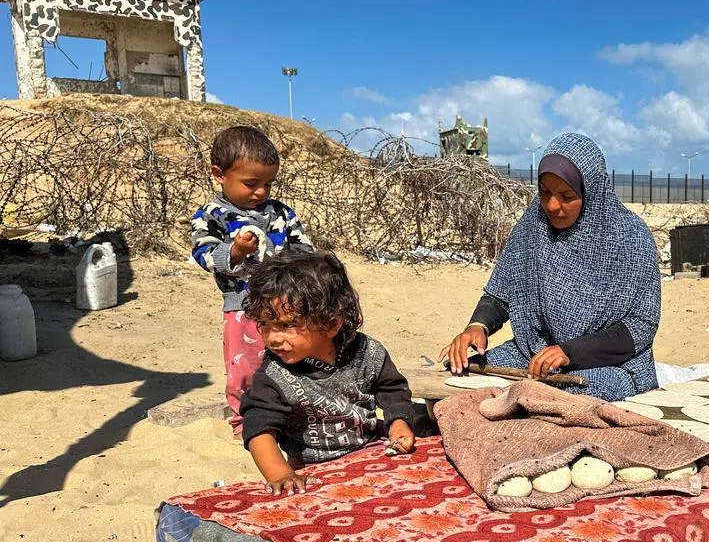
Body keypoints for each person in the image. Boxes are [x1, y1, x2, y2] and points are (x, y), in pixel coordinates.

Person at [440, 133, 661, 402]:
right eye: (545, 192)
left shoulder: (630, 237)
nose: (553, 206)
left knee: (578, 395)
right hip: (536, 354)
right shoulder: (532, 226)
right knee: (462, 374)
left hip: (607, 365)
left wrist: (570, 352)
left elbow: (640, 325)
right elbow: (501, 292)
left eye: (567, 196)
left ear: (590, 190)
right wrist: (478, 326)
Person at [240, 251, 416, 495]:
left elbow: (392, 389)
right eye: (265, 325)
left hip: (374, 453)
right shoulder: (274, 374)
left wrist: (398, 423)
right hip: (314, 471)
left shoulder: (368, 353)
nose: (273, 338)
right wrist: (281, 475)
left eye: (287, 325)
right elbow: (259, 427)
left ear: (332, 323)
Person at [190, 126, 313, 437]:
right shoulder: (212, 215)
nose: (260, 192)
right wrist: (234, 251)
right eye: (251, 183)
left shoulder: (281, 213)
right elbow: (202, 252)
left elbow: (303, 247)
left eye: (268, 184)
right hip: (243, 307)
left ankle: (293, 413)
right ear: (219, 174)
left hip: (288, 306)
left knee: (291, 359)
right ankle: (245, 421)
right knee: (244, 368)